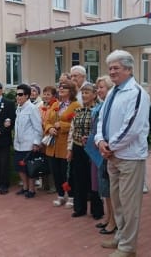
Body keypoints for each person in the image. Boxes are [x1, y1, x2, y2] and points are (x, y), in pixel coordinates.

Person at [95, 50, 150, 257]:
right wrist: (100, 140)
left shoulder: (137, 93)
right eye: (110, 68)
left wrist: (110, 146)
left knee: (129, 204)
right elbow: (102, 119)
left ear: (128, 69)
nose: (112, 72)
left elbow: (132, 127)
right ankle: (120, 237)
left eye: (116, 68)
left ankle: (128, 247)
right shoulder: (113, 92)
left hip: (129, 157)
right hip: (112, 155)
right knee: (117, 201)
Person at [67, 82, 103, 219]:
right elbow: (72, 130)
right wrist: (69, 149)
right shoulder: (78, 111)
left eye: (87, 93)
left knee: (93, 180)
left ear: (94, 95)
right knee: (78, 178)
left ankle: (97, 210)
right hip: (77, 147)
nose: (84, 95)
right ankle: (80, 208)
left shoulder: (98, 110)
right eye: (82, 93)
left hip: (92, 148)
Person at [45, 80, 80, 208]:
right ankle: (60, 195)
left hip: (66, 145)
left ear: (71, 91)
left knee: (68, 172)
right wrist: (49, 128)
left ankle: (71, 196)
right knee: (56, 172)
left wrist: (62, 125)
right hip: (53, 145)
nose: (60, 89)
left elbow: (76, 124)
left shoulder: (76, 105)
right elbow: (47, 121)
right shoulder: (55, 104)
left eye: (64, 88)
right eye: (59, 87)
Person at [91, 75, 117, 235]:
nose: (98, 90)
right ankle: (109, 217)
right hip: (99, 149)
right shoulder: (102, 105)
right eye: (97, 87)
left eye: (101, 87)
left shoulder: (111, 105)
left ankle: (114, 221)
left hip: (109, 151)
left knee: (110, 189)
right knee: (105, 188)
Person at [13, 84, 43, 198]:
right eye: (17, 94)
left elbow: (38, 127)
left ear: (27, 96)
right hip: (18, 144)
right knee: (19, 167)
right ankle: (25, 187)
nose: (18, 97)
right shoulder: (19, 108)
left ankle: (32, 189)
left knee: (30, 168)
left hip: (29, 144)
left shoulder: (32, 108)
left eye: (20, 94)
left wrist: (36, 142)